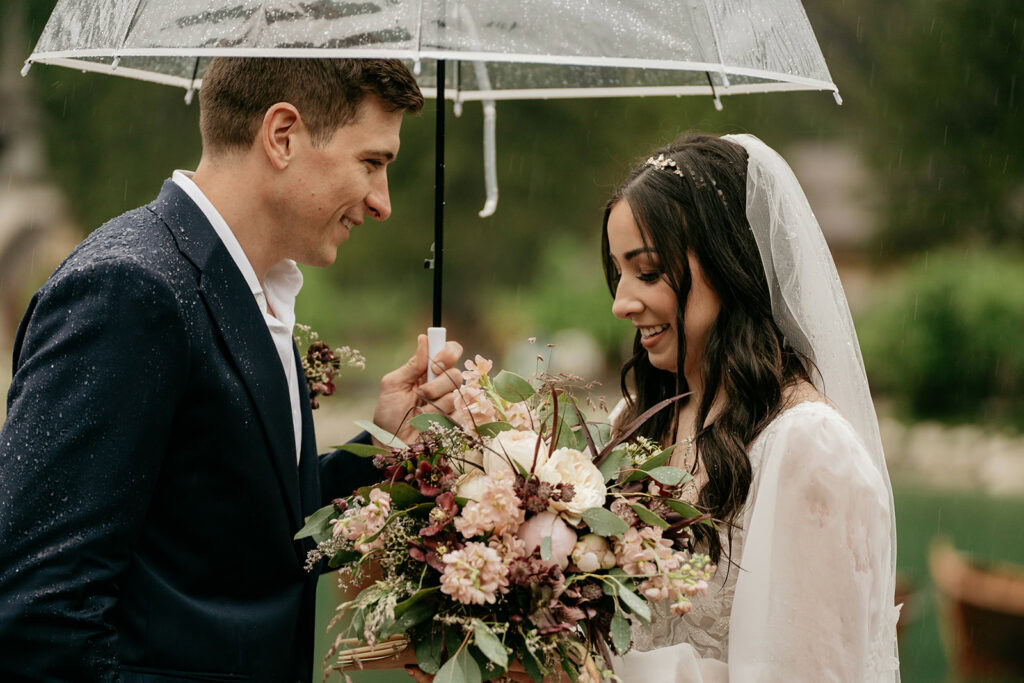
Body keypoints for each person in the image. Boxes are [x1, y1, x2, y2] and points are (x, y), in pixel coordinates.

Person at [0, 58, 464, 682]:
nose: (381, 203)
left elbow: (247, 544)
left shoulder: (254, 289)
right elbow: (39, 611)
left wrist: (379, 450)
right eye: (372, 163)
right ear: (282, 136)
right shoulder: (129, 289)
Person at [602, 134, 901, 681]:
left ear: (727, 263)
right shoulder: (632, 420)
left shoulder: (807, 447)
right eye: (618, 272)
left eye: (646, 272)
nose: (621, 303)